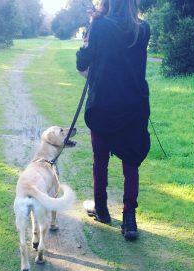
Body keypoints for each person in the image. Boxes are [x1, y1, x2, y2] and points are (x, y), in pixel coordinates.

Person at [76, 0, 151, 241]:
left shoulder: (98, 26)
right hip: (134, 106)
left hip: (104, 106)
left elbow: (82, 65)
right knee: (131, 162)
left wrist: (91, 31)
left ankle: (102, 209)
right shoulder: (144, 28)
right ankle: (130, 219)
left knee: (100, 161)